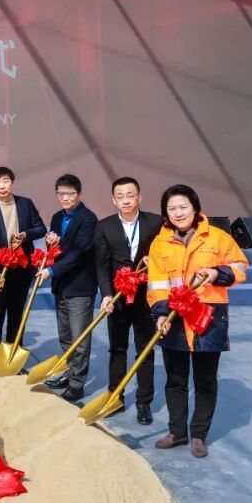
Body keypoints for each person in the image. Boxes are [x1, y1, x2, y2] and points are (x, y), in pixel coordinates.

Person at [148, 184, 248, 458]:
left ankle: (199, 436)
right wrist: (160, 314)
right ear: (165, 213)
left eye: (183, 207)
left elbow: (240, 266)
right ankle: (176, 432)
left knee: (205, 380)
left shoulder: (217, 237)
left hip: (208, 318)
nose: (178, 213)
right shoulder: (159, 243)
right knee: (175, 379)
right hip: (174, 317)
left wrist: (217, 273)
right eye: (172, 208)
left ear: (195, 208)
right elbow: (156, 284)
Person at [94, 176, 163, 424]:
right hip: (118, 299)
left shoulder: (155, 223)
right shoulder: (104, 226)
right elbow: (102, 265)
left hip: (146, 298)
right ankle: (116, 396)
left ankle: (144, 402)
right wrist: (107, 295)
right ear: (114, 200)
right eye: (120, 196)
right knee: (117, 348)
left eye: (130, 195)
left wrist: (153, 262)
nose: (126, 200)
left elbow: (165, 255)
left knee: (145, 350)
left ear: (139, 197)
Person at [35, 173, 98, 403]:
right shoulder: (56, 217)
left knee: (79, 338)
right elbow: (58, 248)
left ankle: (77, 384)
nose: (65, 198)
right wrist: (51, 241)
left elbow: (79, 253)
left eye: (70, 194)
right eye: (61, 194)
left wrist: (50, 271)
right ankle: (70, 373)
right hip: (61, 285)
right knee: (66, 336)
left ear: (79, 194)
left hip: (80, 286)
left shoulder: (88, 219)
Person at [0, 166, 46, 367]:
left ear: (12, 182)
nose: (2, 186)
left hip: (22, 269)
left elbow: (41, 228)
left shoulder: (25, 204)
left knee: (17, 317)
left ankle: (11, 360)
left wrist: (25, 235)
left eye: (5, 181)